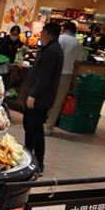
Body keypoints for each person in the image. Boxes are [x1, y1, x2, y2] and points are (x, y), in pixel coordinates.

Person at [22, 22, 64, 176]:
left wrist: (34, 95)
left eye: (42, 32)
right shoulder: (51, 48)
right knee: (30, 128)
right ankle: (28, 158)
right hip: (39, 97)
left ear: (48, 33)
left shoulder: (52, 50)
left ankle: (38, 162)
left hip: (40, 99)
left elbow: (44, 77)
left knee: (35, 130)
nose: (40, 34)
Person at [44, 22, 84, 136]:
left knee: (46, 97)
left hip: (52, 73)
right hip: (66, 74)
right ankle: (48, 128)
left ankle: (39, 122)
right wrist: (73, 82)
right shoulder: (78, 44)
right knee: (57, 102)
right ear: (74, 31)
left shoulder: (58, 39)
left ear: (63, 29)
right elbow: (77, 65)